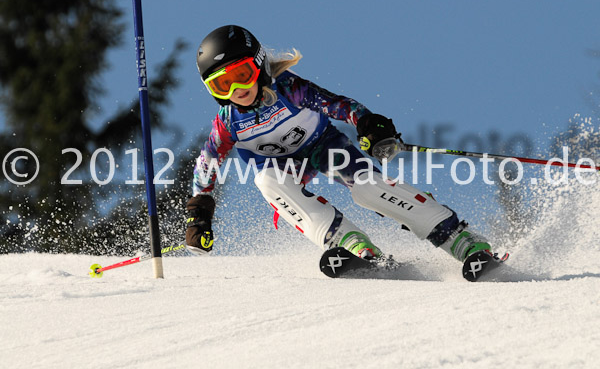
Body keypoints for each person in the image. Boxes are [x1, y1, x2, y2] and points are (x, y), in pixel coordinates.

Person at [185, 25, 496, 274]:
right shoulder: (228, 122)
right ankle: (347, 242)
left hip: (323, 145)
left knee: (367, 188)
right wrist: (199, 210)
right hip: (280, 166)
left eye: (241, 75)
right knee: (267, 182)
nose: (237, 91)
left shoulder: (288, 89)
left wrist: (368, 125)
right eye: (222, 85)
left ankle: (458, 238)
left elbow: (338, 105)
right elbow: (208, 162)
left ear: (260, 64)